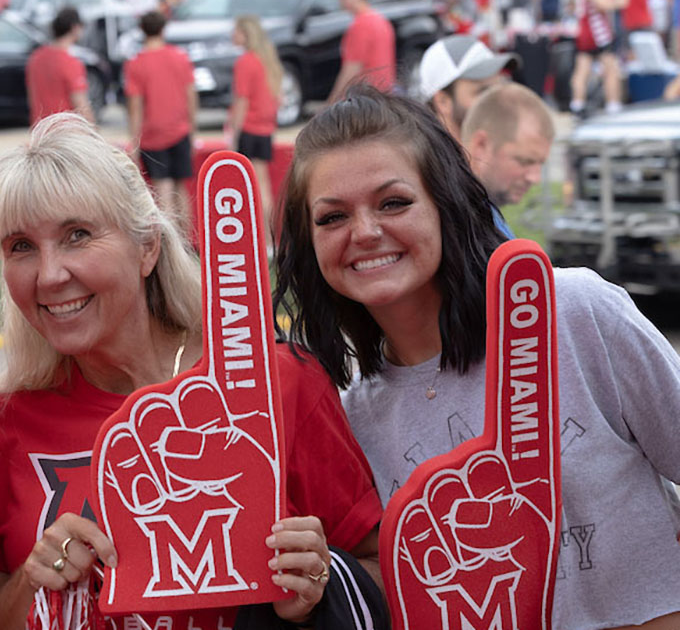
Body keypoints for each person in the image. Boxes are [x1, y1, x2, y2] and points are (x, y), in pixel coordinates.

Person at [275, 85, 680, 630]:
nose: (366, 232)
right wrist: (318, 581)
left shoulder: (573, 313)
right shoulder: (353, 419)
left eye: (393, 202)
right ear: (308, 244)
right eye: (332, 217)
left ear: (445, 203)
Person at [0, 113, 387, 630]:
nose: (51, 274)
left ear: (147, 246)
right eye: (21, 247)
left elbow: (386, 572)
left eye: (77, 235)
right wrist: (34, 578)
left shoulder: (276, 383)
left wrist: (318, 587)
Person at [124, 10, 197, 225]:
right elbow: (190, 95)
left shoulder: (136, 64)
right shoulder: (180, 57)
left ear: (142, 31)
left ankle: (171, 246)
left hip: (152, 134)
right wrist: (191, 128)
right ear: (163, 29)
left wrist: (134, 142)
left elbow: (135, 107)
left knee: (163, 190)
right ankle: (186, 245)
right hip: (180, 129)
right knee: (181, 189)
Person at [460, 82, 555, 238]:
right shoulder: (455, 227)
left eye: (540, 164)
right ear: (481, 145)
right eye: (524, 161)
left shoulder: (482, 218)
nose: (535, 178)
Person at [227, 15, 283, 225]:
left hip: (249, 127)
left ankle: (261, 237)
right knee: (264, 185)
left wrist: (234, 132)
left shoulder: (245, 62)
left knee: (254, 187)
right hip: (265, 128)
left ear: (246, 34)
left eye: (237, 31)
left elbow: (241, 100)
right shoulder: (267, 60)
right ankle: (269, 240)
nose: (233, 35)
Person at [418, 33, 520, 141]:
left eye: (500, 87)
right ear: (443, 102)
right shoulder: (423, 156)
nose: (498, 100)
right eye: (483, 91)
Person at [571, 0, 629, 116]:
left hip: (586, 31)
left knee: (582, 69)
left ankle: (577, 105)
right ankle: (613, 105)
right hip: (597, 33)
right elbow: (601, 3)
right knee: (611, 69)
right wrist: (619, 2)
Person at [328, 0, 396, 103]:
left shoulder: (360, 26)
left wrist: (332, 101)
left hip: (364, 100)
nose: (341, 2)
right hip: (384, 95)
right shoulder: (381, 21)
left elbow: (350, 70)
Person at [26, 7, 93, 126]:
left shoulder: (35, 58)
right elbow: (81, 105)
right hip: (65, 133)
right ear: (75, 27)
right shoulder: (70, 62)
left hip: (41, 130)